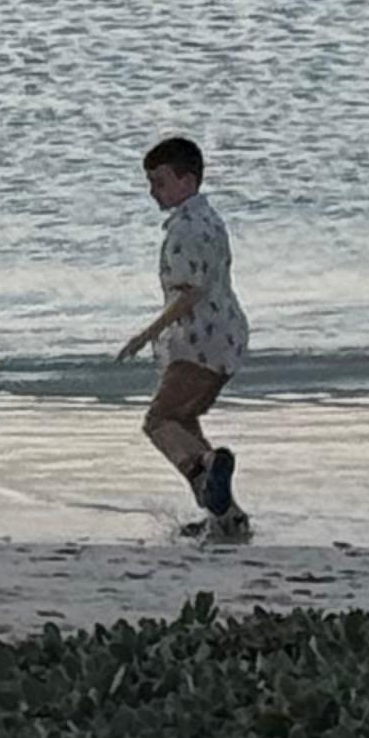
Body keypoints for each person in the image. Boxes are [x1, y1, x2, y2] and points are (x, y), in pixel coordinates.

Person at [117, 133, 250, 537]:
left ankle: (208, 470)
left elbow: (190, 293)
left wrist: (147, 333)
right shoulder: (209, 218)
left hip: (199, 342)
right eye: (150, 182)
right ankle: (228, 517)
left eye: (159, 182)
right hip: (226, 338)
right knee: (182, 422)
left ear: (187, 182)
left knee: (158, 421)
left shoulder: (186, 230)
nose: (152, 192)